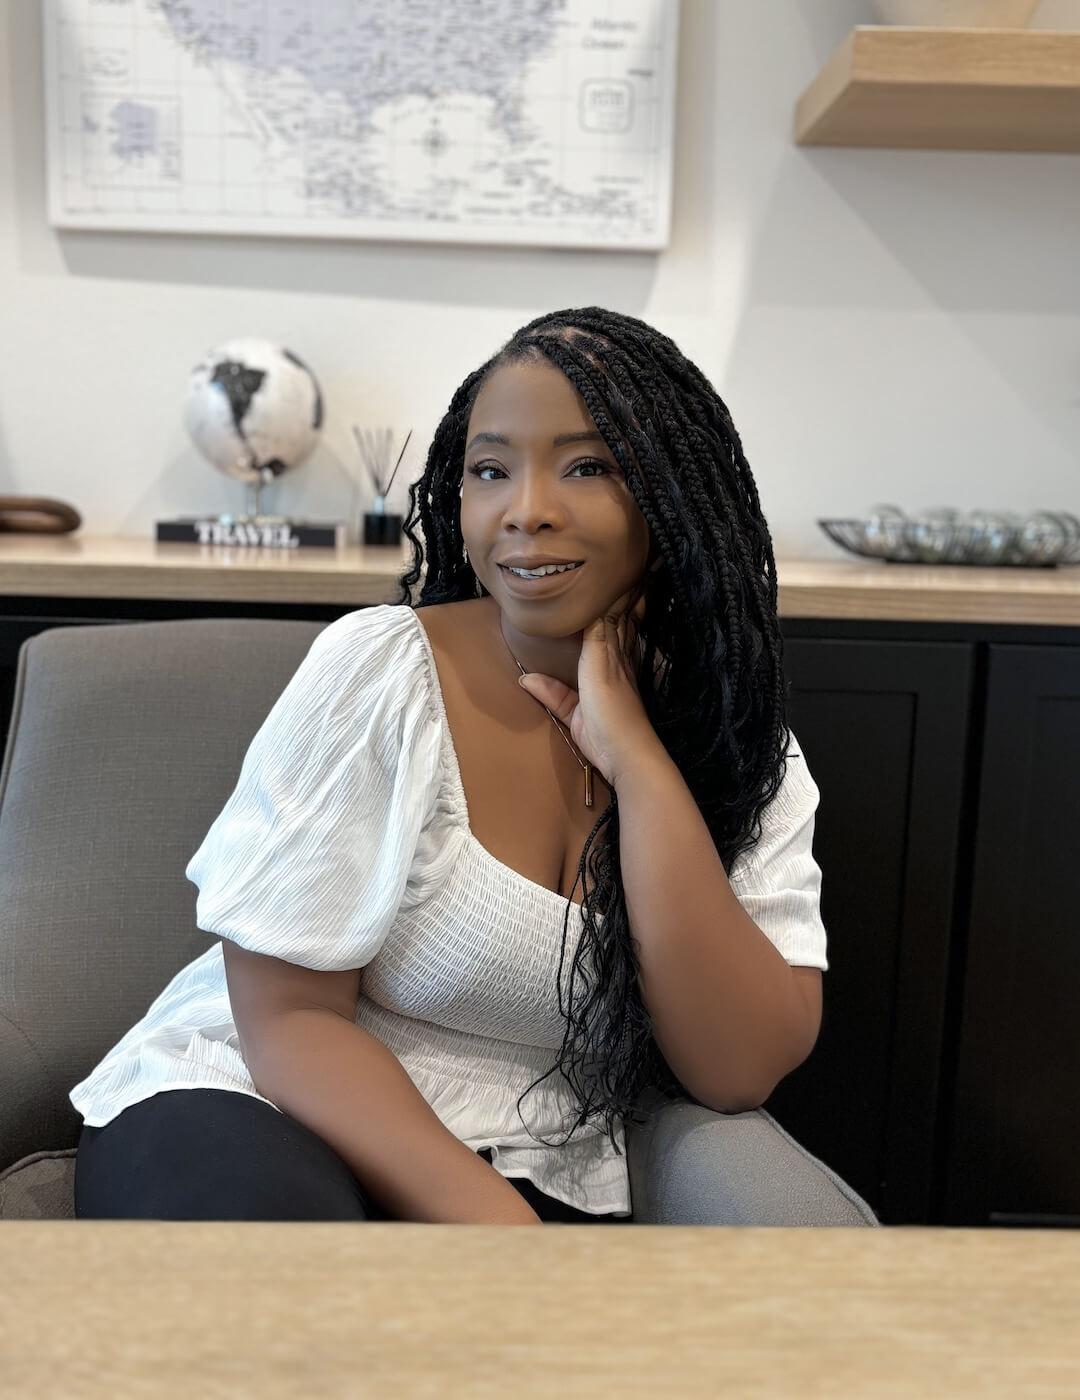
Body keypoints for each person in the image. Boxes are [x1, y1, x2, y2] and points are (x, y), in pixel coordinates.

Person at [71, 306, 829, 1225]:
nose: (526, 508)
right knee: (285, 1293)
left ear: (676, 494)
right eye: (490, 470)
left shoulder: (741, 750)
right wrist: (501, 1239)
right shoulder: (383, 671)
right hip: (256, 1104)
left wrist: (641, 767)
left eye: (588, 466)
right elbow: (288, 1021)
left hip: (532, 1156)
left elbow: (736, 1067)